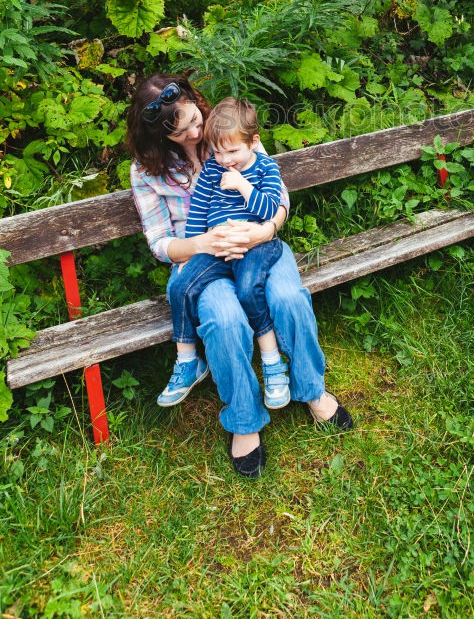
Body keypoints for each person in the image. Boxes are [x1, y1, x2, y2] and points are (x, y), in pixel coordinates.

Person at [126, 73, 352, 479]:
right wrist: (202, 244)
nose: (197, 133)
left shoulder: (229, 130)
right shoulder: (146, 172)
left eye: (196, 119)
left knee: (288, 297)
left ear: (197, 101)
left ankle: (311, 389)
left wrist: (263, 231)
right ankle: (245, 419)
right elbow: (160, 242)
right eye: (183, 132)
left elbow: (277, 196)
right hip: (204, 260)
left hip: (259, 244)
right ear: (161, 136)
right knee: (225, 319)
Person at [164, 96, 290, 411]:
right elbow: (198, 213)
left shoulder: (264, 169)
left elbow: (268, 208)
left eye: (232, 151)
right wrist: (192, 251)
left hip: (256, 245)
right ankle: (187, 360)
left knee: (249, 289)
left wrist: (242, 185)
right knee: (178, 286)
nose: (224, 160)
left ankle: (273, 363)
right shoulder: (211, 170)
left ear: (253, 142)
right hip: (216, 250)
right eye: (218, 152)